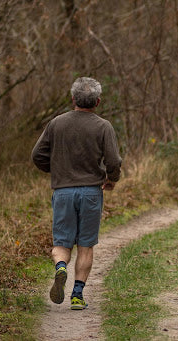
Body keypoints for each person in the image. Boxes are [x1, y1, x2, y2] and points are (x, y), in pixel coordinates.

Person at [31, 77, 122, 310]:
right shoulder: (103, 126)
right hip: (92, 192)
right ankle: (77, 296)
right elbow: (113, 161)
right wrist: (111, 179)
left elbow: (37, 155)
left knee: (62, 242)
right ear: (98, 102)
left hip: (62, 192)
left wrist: (58, 171)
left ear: (72, 99)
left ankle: (61, 267)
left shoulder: (56, 124)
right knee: (85, 245)